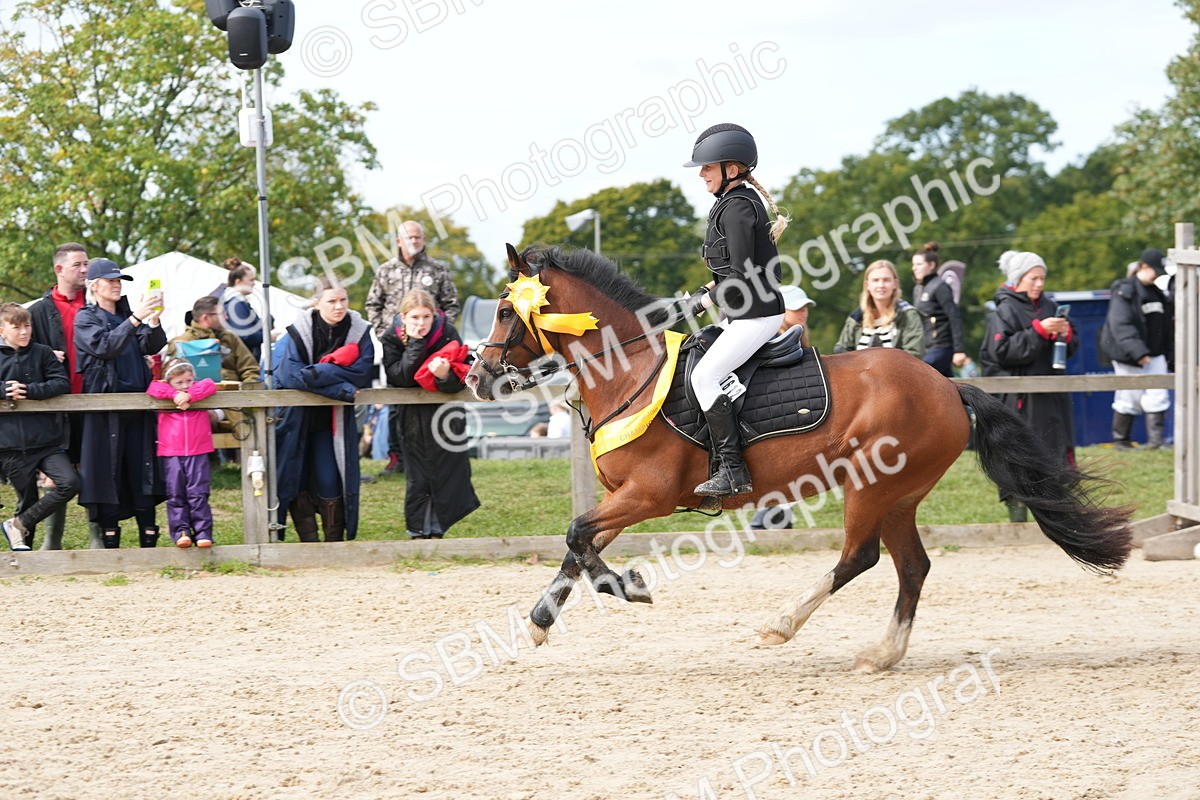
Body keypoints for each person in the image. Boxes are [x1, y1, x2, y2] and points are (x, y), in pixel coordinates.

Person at [682, 123, 790, 498]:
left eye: (707, 167)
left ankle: (733, 470)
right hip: (745, 311)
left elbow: (743, 275)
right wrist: (699, 293)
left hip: (757, 314)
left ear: (732, 168)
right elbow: (731, 270)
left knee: (704, 378)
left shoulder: (738, 208)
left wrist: (703, 302)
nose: (700, 174)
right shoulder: (731, 205)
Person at [74, 258, 167, 548]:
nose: (116, 285)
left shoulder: (128, 314)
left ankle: (148, 544)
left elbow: (149, 345)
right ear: (94, 285)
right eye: (111, 280)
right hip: (105, 410)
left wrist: (153, 320)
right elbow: (105, 347)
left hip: (138, 405)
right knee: (106, 473)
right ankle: (111, 548)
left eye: (120, 280)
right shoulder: (85, 318)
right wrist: (136, 319)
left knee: (143, 471)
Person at [274, 276, 374, 542]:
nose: (339, 306)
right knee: (294, 479)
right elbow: (289, 376)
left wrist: (317, 370)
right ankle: (309, 542)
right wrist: (340, 387)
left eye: (343, 299)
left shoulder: (359, 330)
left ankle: (333, 542)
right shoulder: (298, 330)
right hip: (295, 419)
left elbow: (361, 372)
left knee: (332, 478)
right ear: (317, 303)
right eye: (332, 301)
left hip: (333, 422)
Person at [979, 250, 1077, 522]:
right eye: (1033, 278)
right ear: (1019, 278)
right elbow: (1002, 351)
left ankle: (1059, 522)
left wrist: (1068, 336)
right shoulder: (1004, 310)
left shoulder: (1049, 305)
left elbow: (1070, 348)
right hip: (1019, 398)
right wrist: (1039, 331)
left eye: (1042, 278)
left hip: (1052, 396)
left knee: (1054, 451)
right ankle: (1018, 520)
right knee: (1020, 456)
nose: (1039, 284)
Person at [366, 220, 461, 476]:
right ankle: (397, 457)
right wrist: (386, 332)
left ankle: (439, 457)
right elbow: (373, 304)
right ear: (399, 241)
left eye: (418, 237)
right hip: (398, 345)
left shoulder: (438, 269)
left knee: (437, 397)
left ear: (424, 239)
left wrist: (440, 332)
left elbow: (451, 303)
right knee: (397, 401)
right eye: (409, 237)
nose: (414, 241)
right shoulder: (386, 270)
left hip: (434, 346)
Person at [382, 289, 478, 539]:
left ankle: (439, 529)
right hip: (411, 417)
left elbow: (464, 374)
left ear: (433, 314)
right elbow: (398, 377)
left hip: (446, 414)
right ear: (403, 317)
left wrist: (445, 376)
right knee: (418, 475)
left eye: (426, 317)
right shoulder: (391, 338)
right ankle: (418, 529)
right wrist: (415, 344)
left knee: (449, 472)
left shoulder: (446, 331)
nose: (421, 323)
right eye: (414, 318)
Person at [27, 242, 97, 549]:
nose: (84, 270)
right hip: (53, 403)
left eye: (86, 264)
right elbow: (17, 354)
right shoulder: (37, 312)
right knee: (56, 472)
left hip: (96, 398)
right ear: (59, 269)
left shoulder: (100, 303)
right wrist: (41, 356)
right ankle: (51, 542)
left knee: (96, 466)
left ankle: (100, 539)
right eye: (78, 265)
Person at [0, 303, 80, 551]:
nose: (24, 332)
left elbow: (61, 383)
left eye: (27, 326)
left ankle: (17, 525)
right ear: (2, 329)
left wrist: (30, 390)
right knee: (28, 500)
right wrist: (3, 391)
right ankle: (26, 559)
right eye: (17, 327)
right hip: (10, 445)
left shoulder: (43, 352)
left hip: (46, 442)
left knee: (70, 483)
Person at [1101, 247, 1173, 449]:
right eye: (1155, 272)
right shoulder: (1125, 290)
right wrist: (1138, 352)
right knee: (1128, 396)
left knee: (1158, 395)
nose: (1157, 277)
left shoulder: (1157, 292)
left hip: (1155, 353)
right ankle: (1121, 440)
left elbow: (1166, 325)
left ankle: (1156, 442)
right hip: (1129, 355)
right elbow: (1120, 324)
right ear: (1143, 266)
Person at [146, 360, 218, 548]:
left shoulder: (197, 391)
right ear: (169, 382)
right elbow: (153, 388)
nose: (185, 385)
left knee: (198, 493)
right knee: (175, 493)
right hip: (171, 451)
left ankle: (203, 532)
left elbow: (209, 384)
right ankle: (181, 532)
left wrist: (190, 396)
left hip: (198, 450)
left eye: (189, 380)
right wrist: (175, 395)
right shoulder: (165, 393)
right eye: (179, 382)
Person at [834, 260, 925, 358]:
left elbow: (914, 354)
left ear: (895, 283)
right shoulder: (856, 318)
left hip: (898, 372)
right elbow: (842, 351)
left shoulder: (908, 315)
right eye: (875, 280)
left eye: (886, 280)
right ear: (867, 285)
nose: (881, 285)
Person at [167, 296, 260, 384]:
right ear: (206, 318)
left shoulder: (230, 337)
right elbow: (173, 377)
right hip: (195, 397)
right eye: (222, 314)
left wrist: (246, 393)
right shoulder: (182, 343)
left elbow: (250, 369)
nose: (226, 318)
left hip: (233, 395)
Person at [911, 243, 968, 376]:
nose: (914, 268)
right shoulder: (918, 289)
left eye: (919, 264)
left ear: (931, 265)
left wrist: (959, 350)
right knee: (947, 386)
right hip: (926, 347)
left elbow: (954, 316)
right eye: (913, 264)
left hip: (942, 346)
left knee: (918, 373)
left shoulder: (940, 286)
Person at [221, 261, 266, 361]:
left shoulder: (234, 302)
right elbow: (245, 334)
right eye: (251, 280)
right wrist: (267, 337)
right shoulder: (235, 304)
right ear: (238, 282)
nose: (254, 283)